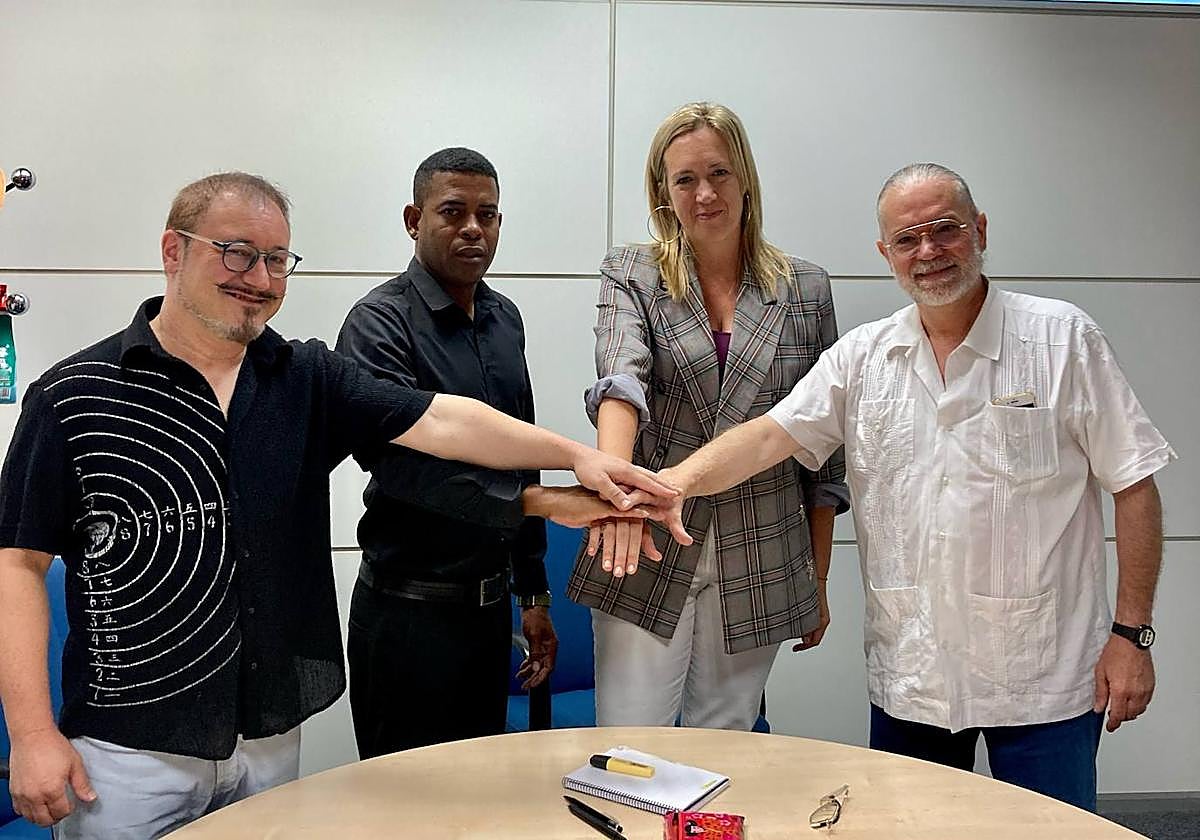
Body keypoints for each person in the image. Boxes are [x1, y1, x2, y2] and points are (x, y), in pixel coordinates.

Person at [0, 172, 674, 838]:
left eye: (276, 260)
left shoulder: (304, 378)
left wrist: (579, 457)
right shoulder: (74, 397)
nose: (259, 279)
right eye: (236, 252)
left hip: (267, 736)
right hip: (128, 750)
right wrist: (31, 734)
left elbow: (442, 422)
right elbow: (18, 565)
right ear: (173, 251)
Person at [648, 163, 1176, 811]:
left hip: (1046, 676)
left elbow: (1136, 485)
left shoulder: (1062, 339)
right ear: (885, 254)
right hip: (913, 680)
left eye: (945, 230)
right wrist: (667, 485)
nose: (928, 252)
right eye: (907, 239)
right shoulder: (863, 358)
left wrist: (1132, 635)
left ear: (979, 230)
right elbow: (766, 438)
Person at [566, 102, 849, 731]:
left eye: (718, 173)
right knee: (631, 743)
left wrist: (819, 576)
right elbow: (620, 381)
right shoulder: (632, 272)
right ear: (663, 192)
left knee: (725, 744)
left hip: (765, 542)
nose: (704, 194)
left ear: (745, 175)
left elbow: (824, 451)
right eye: (684, 180)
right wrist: (615, 492)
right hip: (645, 534)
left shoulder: (806, 289)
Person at [335, 147, 559, 757]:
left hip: (487, 622)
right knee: (404, 809)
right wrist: (539, 502)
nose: (473, 229)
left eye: (487, 215)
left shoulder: (504, 319)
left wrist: (533, 595)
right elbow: (405, 469)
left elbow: (520, 446)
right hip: (407, 619)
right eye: (453, 212)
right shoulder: (378, 324)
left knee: (479, 800)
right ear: (414, 219)